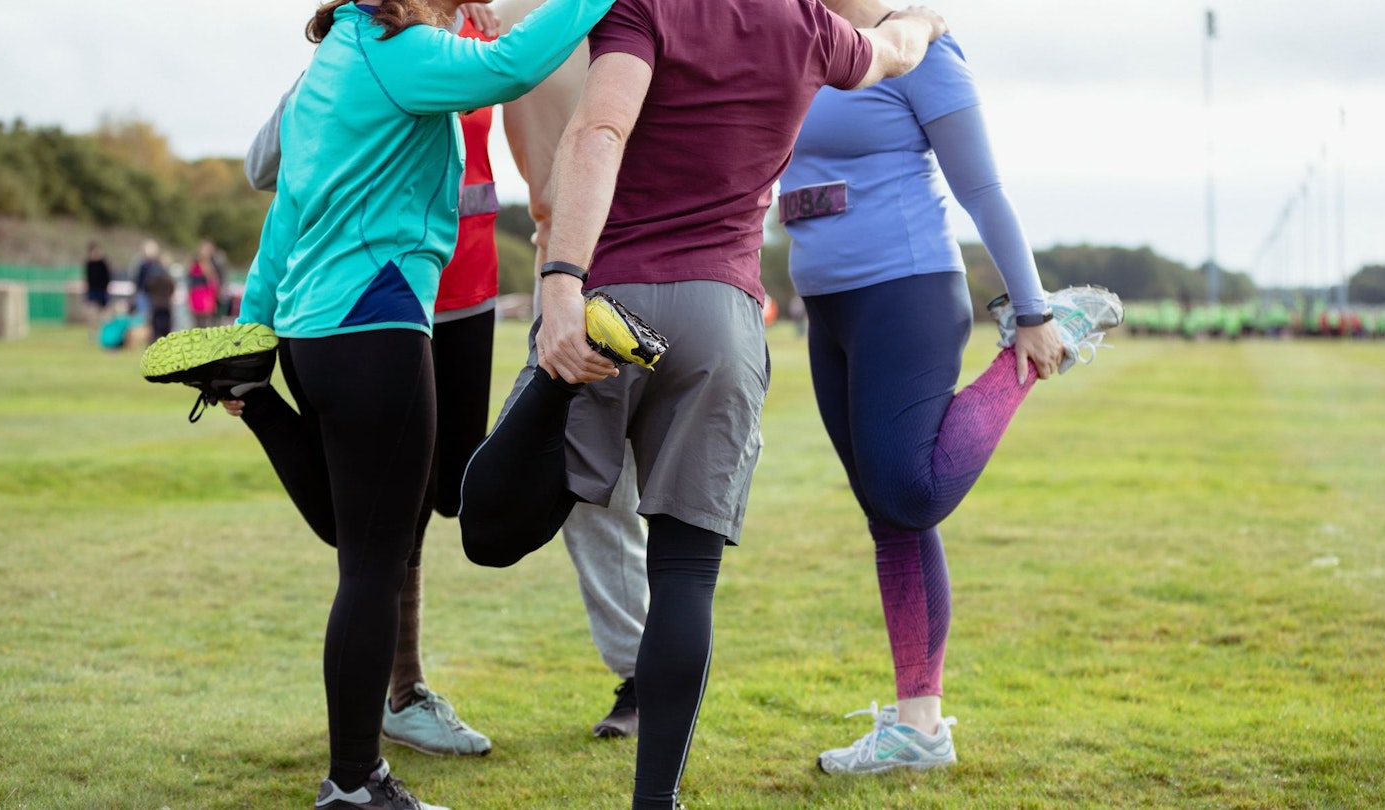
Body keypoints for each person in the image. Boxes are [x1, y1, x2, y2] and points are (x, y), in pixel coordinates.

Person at [454, 4, 948, 807]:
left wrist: (561, 281)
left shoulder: (645, 8)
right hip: (721, 318)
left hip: (614, 299)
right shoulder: (809, 27)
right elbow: (892, 50)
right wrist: (922, 23)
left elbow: (598, 133)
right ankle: (659, 802)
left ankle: (551, 384)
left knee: (491, 531)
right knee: (685, 574)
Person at [138, 0, 619, 806]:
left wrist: (254, 329)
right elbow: (510, 67)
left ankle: (251, 393)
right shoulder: (400, 49)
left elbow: (285, 209)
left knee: (352, 530)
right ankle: (356, 781)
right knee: (374, 563)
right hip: (376, 325)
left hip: (310, 336)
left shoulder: (336, 56)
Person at [778, 8, 1124, 775]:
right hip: (826, 306)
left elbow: (984, 189)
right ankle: (919, 730)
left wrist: (1030, 308)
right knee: (887, 516)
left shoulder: (925, 51)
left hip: (907, 289)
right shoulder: (799, 38)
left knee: (910, 491)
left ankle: (1031, 351)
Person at [495, 0, 649, 739]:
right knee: (592, 493)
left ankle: (661, 667)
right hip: (567, 275)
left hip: (675, 260)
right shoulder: (498, 17)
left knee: (676, 487)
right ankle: (643, 672)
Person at [187, 240, 221, 329]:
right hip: (201, 296)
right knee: (201, 323)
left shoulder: (206, 265)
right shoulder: (202, 265)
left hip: (203, 296)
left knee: (202, 323)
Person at [83, 242, 112, 341]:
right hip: (92, 292)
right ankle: (92, 335)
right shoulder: (89, 264)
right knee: (92, 315)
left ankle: (104, 335)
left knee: (105, 315)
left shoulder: (103, 263)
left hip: (102, 292)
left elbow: (108, 278)